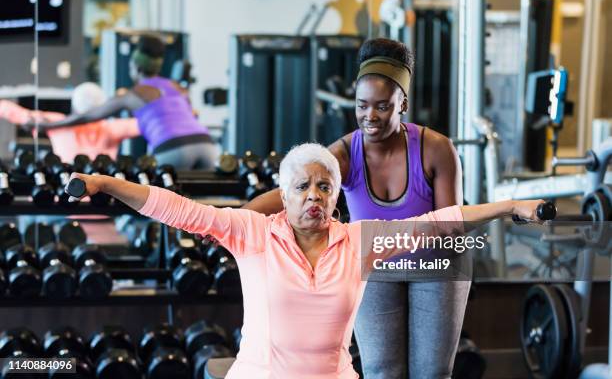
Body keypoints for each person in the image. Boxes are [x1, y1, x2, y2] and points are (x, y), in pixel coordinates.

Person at [67, 142, 545, 379]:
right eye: (302, 187)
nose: (313, 196)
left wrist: (508, 207)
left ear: (336, 195)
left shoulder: (360, 241)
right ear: (283, 195)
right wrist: (105, 184)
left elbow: (438, 222)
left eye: (324, 186)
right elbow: (175, 207)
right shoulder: (252, 232)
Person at [244, 38, 465, 378]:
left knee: (432, 372)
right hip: (373, 266)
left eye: (382, 106)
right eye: (361, 106)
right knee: (381, 370)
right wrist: (237, 218)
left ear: (402, 102)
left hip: (434, 265)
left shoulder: (436, 149)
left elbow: (451, 226)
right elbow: (289, 192)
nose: (369, 117)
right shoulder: (344, 154)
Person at [35, 34, 218, 170]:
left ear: (136, 68)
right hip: (206, 144)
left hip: (172, 147)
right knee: (201, 208)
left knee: (161, 208)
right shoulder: (177, 87)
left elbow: (88, 116)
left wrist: (49, 125)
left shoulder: (134, 94)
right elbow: (193, 114)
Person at [0, 82, 139, 163]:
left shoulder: (57, 123)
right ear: (103, 109)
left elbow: (8, 110)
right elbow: (149, 122)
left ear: (74, 106)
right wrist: (125, 100)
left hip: (68, 200)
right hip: (102, 202)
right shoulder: (112, 128)